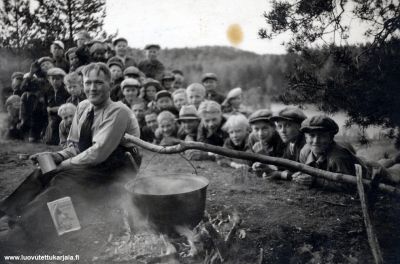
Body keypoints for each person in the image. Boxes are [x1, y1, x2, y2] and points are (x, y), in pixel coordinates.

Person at [0, 62, 141, 244]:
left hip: (118, 167)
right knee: (42, 172)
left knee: (61, 180)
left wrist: (62, 165)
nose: (92, 88)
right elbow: (75, 146)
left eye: (98, 83)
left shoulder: (118, 111)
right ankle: (8, 214)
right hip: (91, 161)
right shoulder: (83, 107)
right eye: (88, 83)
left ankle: (24, 233)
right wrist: (56, 156)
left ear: (110, 85)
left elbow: (98, 153)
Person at [248, 109, 285, 176]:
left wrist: (263, 156)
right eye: (256, 129)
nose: (260, 134)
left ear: (274, 127)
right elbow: (250, 161)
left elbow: (281, 167)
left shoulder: (280, 139)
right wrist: (255, 165)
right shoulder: (252, 137)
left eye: (265, 128)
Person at [18, 73, 48, 142]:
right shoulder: (25, 95)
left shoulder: (41, 94)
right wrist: (22, 118)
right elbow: (22, 109)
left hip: (38, 118)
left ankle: (39, 135)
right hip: (28, 118)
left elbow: (44, 107)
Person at [43, 68, 69, 145]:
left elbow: (67, 104)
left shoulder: (65, 91)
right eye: (53, 79)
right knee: (49, 139)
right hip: (51, 117)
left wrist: (57, 109)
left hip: (62, 116)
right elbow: (45, 104)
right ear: (49, 80)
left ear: (62, 80)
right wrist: (47, 108)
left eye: (58, 79)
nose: (55, 81)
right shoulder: (48, 91)